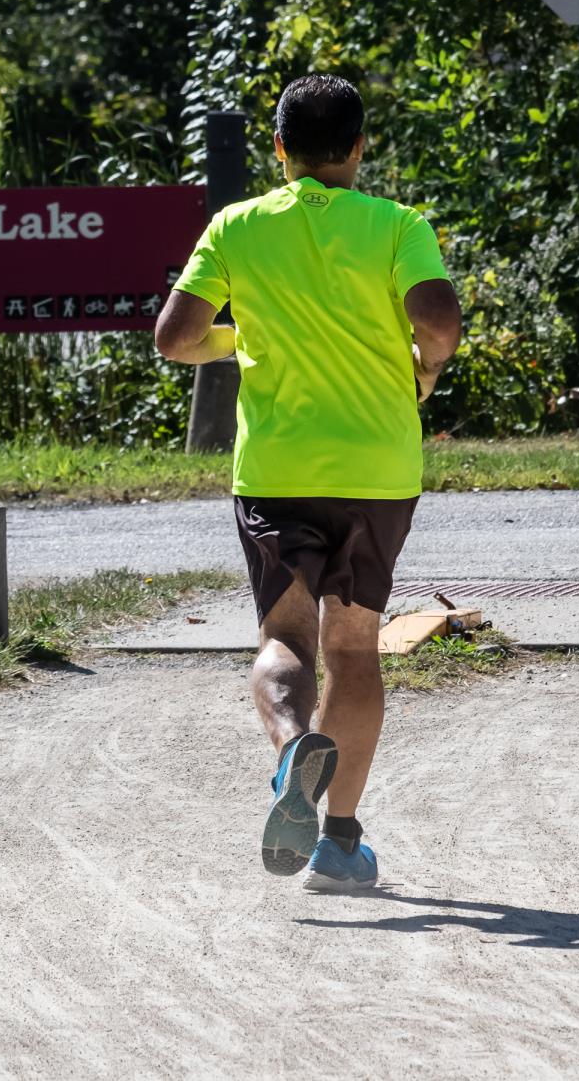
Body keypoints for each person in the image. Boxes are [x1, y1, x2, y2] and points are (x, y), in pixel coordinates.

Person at [155, 75, 463, 892]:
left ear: (280, 150)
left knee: (284, 641)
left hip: (277, 472)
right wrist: (422, 367)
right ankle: (339, 843)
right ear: (360, 148)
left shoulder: (237, 227)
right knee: (354, 650)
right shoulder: (399, 226)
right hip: (377, 471)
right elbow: (439, 324)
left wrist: (239, 341)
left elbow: (175, 338)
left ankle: (293, 745)